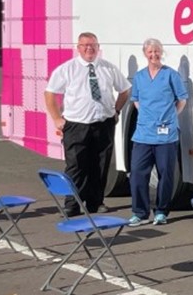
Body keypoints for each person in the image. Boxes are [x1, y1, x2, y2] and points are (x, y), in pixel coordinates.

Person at [44, 32, 131, 217]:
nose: (89, 49)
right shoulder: (67, 69)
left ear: (98, 48)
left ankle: (95, 202)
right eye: (85, 45)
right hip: (77, 125)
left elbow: (125, 90)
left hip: (103, 123)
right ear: (78, 48)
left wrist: (116, 110)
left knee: (100, 164)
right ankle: (72, 204)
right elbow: (50, 93)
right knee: (76, 166)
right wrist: (57, 119)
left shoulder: (108, 68)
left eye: (92, 45)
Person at [127, 38, 188, 226]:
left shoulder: (171, 75)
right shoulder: (139, 77)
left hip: (166, 134)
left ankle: (161, 211)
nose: (154, 55)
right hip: (144, 134)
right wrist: (146, 114)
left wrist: (170, 116)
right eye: (150, 52)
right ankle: (140, 212)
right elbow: (135, 99)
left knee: (166, 174)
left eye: (157, 51)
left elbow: (182, 99)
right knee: (137, 172)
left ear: (161, 53)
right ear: (145, 54)